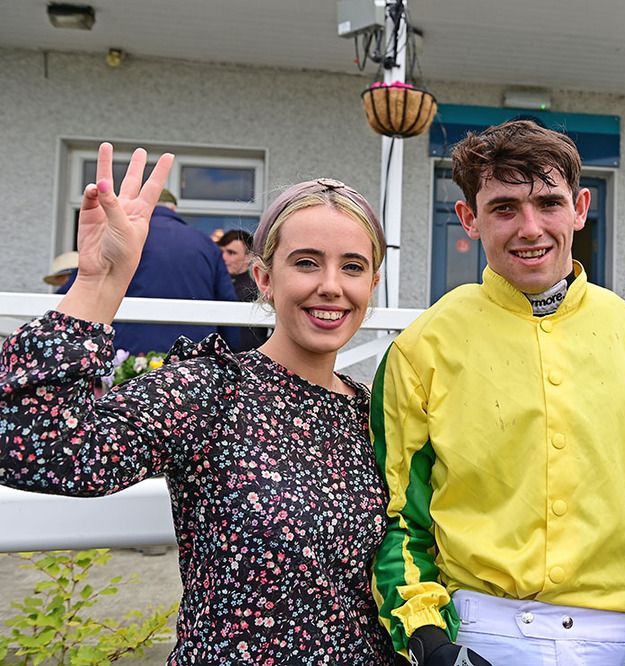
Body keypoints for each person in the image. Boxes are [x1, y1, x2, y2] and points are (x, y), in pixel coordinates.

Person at [0, 143, 398, 664]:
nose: (330, 286)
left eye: (352, 267)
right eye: (306, 262)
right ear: (263, 278)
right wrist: (99, 282)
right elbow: (37, 447)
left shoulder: (372, 413)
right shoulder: (210, 391)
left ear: (371, 283)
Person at [371, 120, 625, 665]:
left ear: (580, 207)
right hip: (477, 635)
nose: (530, 228)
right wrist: (429, 641)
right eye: (504, 208)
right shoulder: (419, 348)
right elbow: (397, 517)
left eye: (548, 203)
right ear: (468, 218)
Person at [59, 189, 240, 354]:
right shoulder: (206, 244)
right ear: (173, 210)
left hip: (128, 354)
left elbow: (76, 292)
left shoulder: (120, 237)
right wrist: (232, 354)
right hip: (191, 357)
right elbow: (227, 304)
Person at [217, 229, 269, 351]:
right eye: (220, 252)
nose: (223, 258)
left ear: (248, 257)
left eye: (231, 253)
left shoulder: (253, 290)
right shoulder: (217, 285)